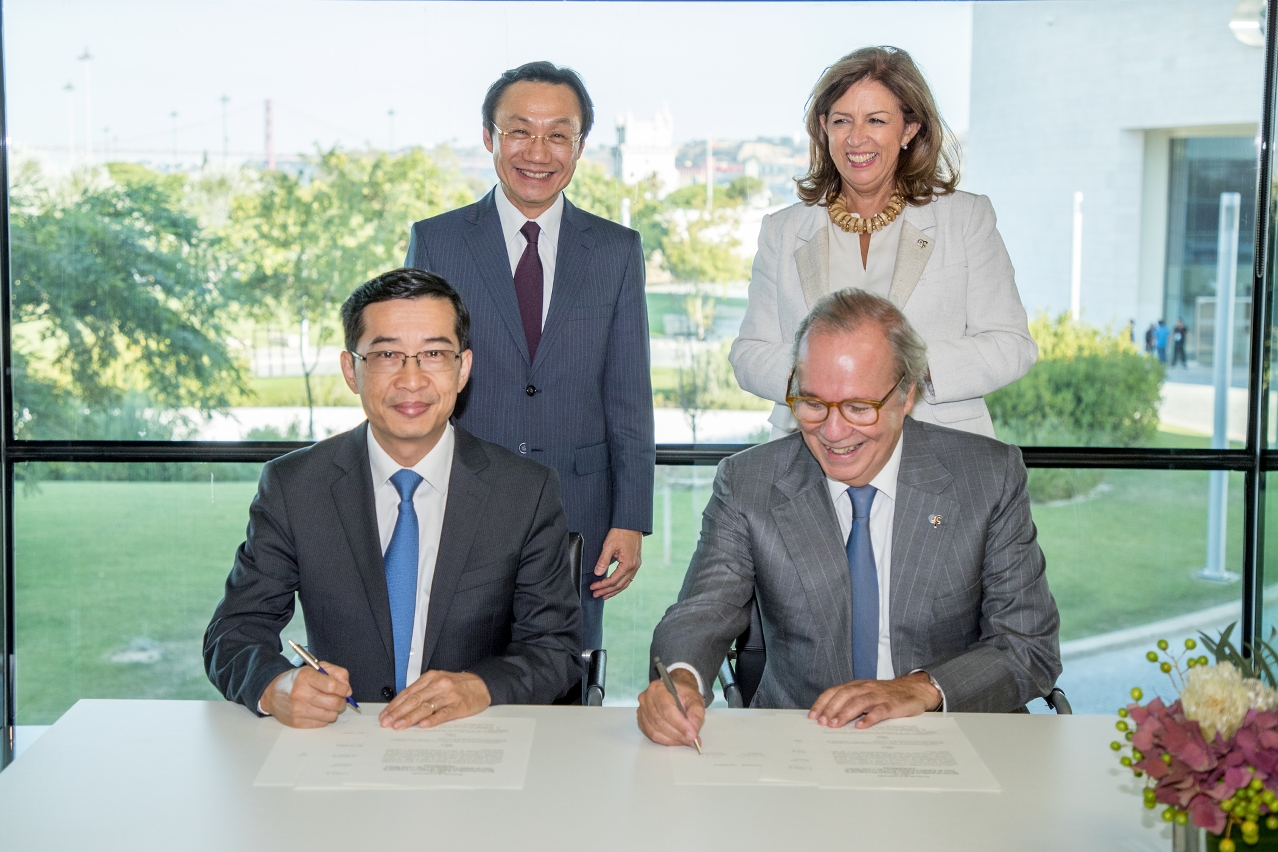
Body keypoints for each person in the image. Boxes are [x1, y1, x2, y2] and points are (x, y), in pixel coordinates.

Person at [639, 289, 1060, 746]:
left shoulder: (986, 477)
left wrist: (920, 688)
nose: (833, 432)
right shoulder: (749, 483)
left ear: (906, 394)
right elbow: (701, 611)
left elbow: (1027, 645)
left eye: (859, 407)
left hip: (951, 739)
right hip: (802, 739)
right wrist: (679, 680)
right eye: (813, 403)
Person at [204, 269, 581, 728]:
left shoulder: (524, 491)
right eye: (386, 354)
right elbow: (233, 632)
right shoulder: (295, 486)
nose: (411, 379)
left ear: (463, 368)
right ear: (351, 370)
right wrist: (275, 685)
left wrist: (480, 687)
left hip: (471, 741)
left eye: (434, 354)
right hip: (343, 739)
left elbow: (554, 650)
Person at [406, 61, 654, 651]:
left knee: (566, 674)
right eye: (519, 131)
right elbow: (417, 377)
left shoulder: (617, 251)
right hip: (461, 497)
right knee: (454, 671)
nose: (538, 151)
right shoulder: (437, 241)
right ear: (490, 136)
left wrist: (630, 517)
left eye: (558, 134)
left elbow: (628, 394)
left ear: (579, 145)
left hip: (581, 507)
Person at [730, 46, 1036, 440]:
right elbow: (748, 354)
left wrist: (903, 365)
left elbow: (1012, 346)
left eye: (875, 120)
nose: (856, 138)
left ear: (909, 129)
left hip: (938, 450)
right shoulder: (782, 230)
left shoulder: (966, 219)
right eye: (842, 120)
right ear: (824, 127)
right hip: (812, 454)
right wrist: (823, 374)